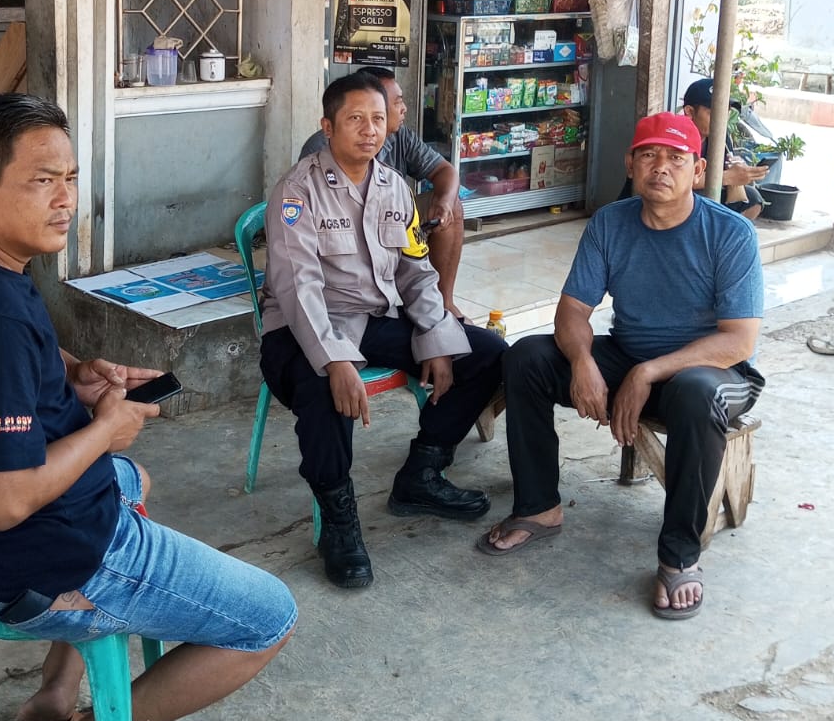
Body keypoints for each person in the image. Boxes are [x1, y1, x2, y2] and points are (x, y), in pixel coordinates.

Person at [0, 94, 296, 721]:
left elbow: (2, 360)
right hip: (35, 558)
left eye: (71, 178)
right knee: (268, 619)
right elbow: (3, 502)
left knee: (130, 476)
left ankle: (56, 689)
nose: (65, 200)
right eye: (42, 181)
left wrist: (72, 374)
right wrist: (103, 428)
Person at [480, 112, 764, 620]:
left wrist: (647, 372)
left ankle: (679, 556)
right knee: (527, 357)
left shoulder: (730, 233)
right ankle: (539, 506)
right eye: (649, 155)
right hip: (630, 354)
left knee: (696, 393)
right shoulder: (611, 222)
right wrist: (582, 361)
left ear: (698, 170)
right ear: (630, 164)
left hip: (716, 373)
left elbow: (738, 341)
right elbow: (573, 311)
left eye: (676, 158)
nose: (661, 167)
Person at [263, 73, 506, 590]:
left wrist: (436, 334)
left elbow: (416, 272)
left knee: (485, 352)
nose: (369, 130)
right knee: (323, 388)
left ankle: (422, 474)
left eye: (377, 119)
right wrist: (336, 360)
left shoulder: (395, 186)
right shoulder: (296, 191)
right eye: (355, 119)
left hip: (373, 319)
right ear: (328, 127)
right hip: (303, 329)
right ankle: (338, 520)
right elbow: (298, 287)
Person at [299, 66, 466, 316]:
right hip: (346, 230)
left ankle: (444, 303)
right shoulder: (321, 149)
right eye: (397, 102)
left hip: (393, 219)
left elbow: (445, 170)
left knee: (451, 206)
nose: (404, 108)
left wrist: (443, 203)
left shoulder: (399, 136)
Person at [682, 76, 769, 220]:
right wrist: (727, 177)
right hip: (680, 198)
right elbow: (678, 178)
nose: (721, 119)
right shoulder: (676, 135)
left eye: (726, 113)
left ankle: (726, 233)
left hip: (706, 193)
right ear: (690, 112)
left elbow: (728, 168)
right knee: (701, 198)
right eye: (713, 113)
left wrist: (741, 171)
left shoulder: (720, 136)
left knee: (753, 198)